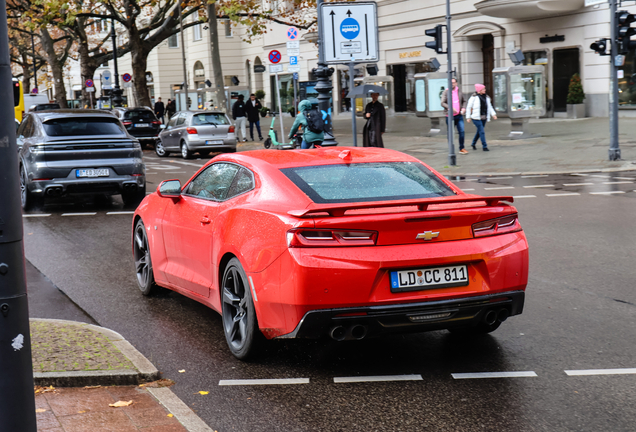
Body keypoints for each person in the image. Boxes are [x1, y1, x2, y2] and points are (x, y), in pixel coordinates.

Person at [466, 84, 497, 151]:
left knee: (479, 131)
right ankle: (484, 146)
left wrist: (493, 114)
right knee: (482, 131)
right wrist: (468, 117)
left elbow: (489, 107)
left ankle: (473, 143)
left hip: (484, 117)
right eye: (483, 89)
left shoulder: (487, 97)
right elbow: (469, 107)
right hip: (476, 118)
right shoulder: (473, 97)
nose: (485, 90)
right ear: (479, 90)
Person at [441, 78, 468, 154]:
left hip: (459, 115)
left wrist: (463, 108)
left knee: (462, 131)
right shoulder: (446, 92)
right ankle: (451, 148)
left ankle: (462, 148)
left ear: (456, 83)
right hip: (450, 116)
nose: (452, 84)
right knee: (450, 132)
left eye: (453, 82)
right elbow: (442, 103)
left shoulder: (459, 91)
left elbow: (464, 101)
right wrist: (450, 108)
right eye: (451, 82)